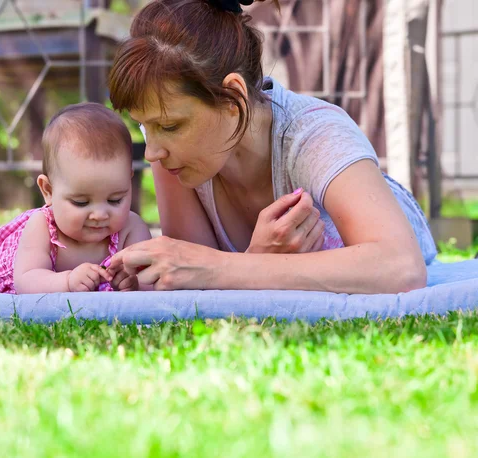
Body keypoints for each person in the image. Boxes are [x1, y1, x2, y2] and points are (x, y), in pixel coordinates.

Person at [106, 0, 437, 294]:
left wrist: (226, 268)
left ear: (234, 97)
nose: (152, 152)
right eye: (143, 125)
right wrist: (253, 260)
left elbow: (401, 267)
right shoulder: (172, 154)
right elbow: (195, 285)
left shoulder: (314, 134)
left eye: (170, 126)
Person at [0, 103, 151, 294]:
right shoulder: (42, 226)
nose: (99, 214)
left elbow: (151, 277)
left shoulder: (131, 228)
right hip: (18, 266)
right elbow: (26, 280)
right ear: (48, 191)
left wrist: (135, 282)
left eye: (115, 200)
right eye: (81, 202)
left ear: (128, 182)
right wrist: (68, 281)